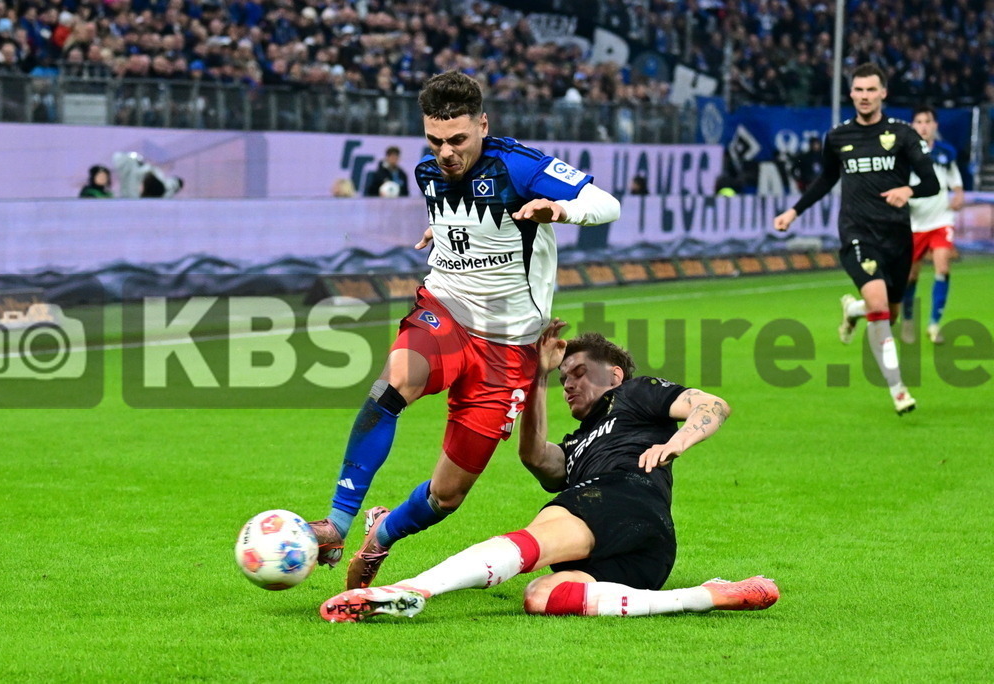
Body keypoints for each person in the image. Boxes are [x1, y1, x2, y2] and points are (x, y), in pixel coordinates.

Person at [309, 71, 621, 591]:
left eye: (457, 139)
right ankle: (336, 525)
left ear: (483, 125)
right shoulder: (427, 172)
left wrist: (559, 208)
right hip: (446, 311)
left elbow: (608, 204)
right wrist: (446, 229)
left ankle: (381, 533)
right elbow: (467, 213)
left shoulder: (520, 166)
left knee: (447, 495)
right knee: (391, 388)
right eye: (435, 140)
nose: (446, 153)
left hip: (509, 348)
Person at [320, 327, 779, 622]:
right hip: (647, 555)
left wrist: (677, 442)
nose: (570, 385)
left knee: (534, 538)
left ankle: (413, 590)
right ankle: (703, 596)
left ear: (615, 375)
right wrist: (536, 377)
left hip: (623, 496)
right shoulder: (577, 445)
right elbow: (536, 456)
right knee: (540, 595)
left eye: (579, 373)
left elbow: (712, 405)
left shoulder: (636, 395)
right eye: (564, 380)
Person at [774, 63, 939, 415]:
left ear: (883, 93)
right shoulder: (838, 137)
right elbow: (825, 180)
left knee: (888, 313)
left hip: (897, 236)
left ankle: (853, 309)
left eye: (871, 90)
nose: (865, 96)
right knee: (879, 305)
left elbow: (932, 183)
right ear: (851, 94)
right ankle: (898, 389)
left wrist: (908, 189)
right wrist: (794, 211)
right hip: (857, 232)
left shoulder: (903, 134)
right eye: (859, 90)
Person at [899, 106, 964, 345]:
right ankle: (908, 320)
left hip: (941, 220)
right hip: (915, 223)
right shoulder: (904, 155)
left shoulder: (946, 153)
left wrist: (959, 194)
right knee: (910, 276)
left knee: (943, 267)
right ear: (912, 126)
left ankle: (934, 324)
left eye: (927, 121)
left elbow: (956, 182)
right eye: (919, 122)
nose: (924, 126)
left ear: (935, 125)